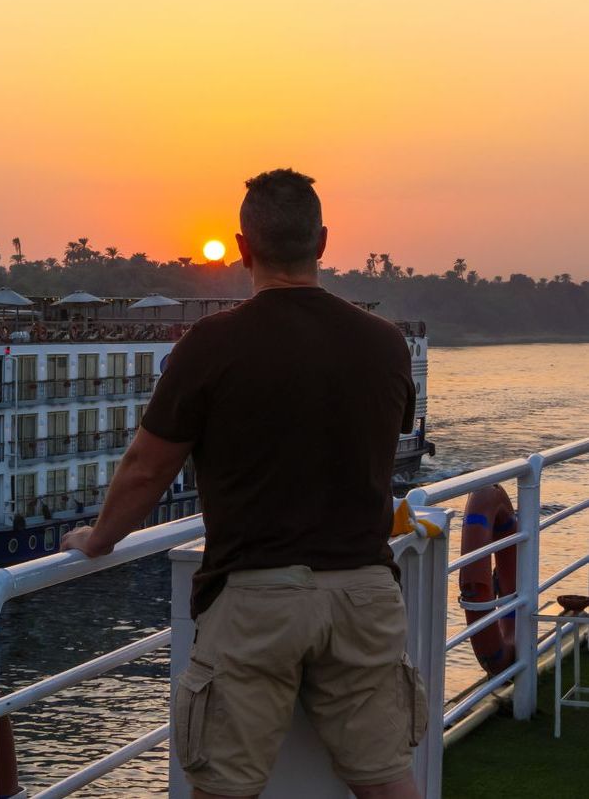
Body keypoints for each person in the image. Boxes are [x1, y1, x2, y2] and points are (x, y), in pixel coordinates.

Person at [62, 169, 425, 799]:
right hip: (363, 592)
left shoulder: (212, 343)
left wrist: (99, 539)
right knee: (387, 782)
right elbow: (382, 435)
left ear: (242, 247)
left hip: (256, 597)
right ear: (323, 241)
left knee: (224, 788)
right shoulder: (385, 343)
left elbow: (148, 466)